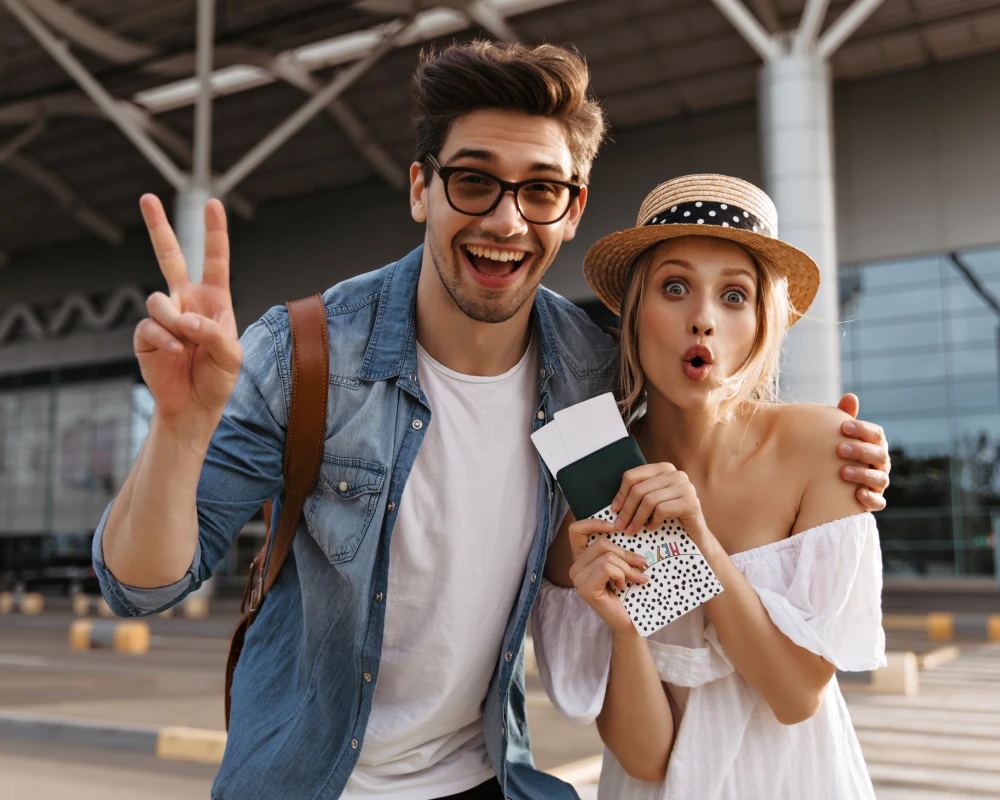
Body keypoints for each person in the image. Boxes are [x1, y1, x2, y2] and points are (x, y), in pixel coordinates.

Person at [92, 42, 890, 800]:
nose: (507, 220)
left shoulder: (591, 385)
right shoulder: (305, 356)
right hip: (310, 780)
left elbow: (699, 460)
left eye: (540, 189)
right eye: (474, 181)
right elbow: (140, 586)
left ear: (573, 209)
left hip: (486, 780)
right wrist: (179, 428)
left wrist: (841, 451)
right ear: (420, 189)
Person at [532, 174, 887, 799]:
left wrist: (698, 538)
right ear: (635, 309)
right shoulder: (593, 471)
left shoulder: (822, 447)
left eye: (734, 295)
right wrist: (619, 624)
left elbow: (794, 695)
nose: (703, 320)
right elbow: (646, 759)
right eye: (675, 288)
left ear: (761, 321)